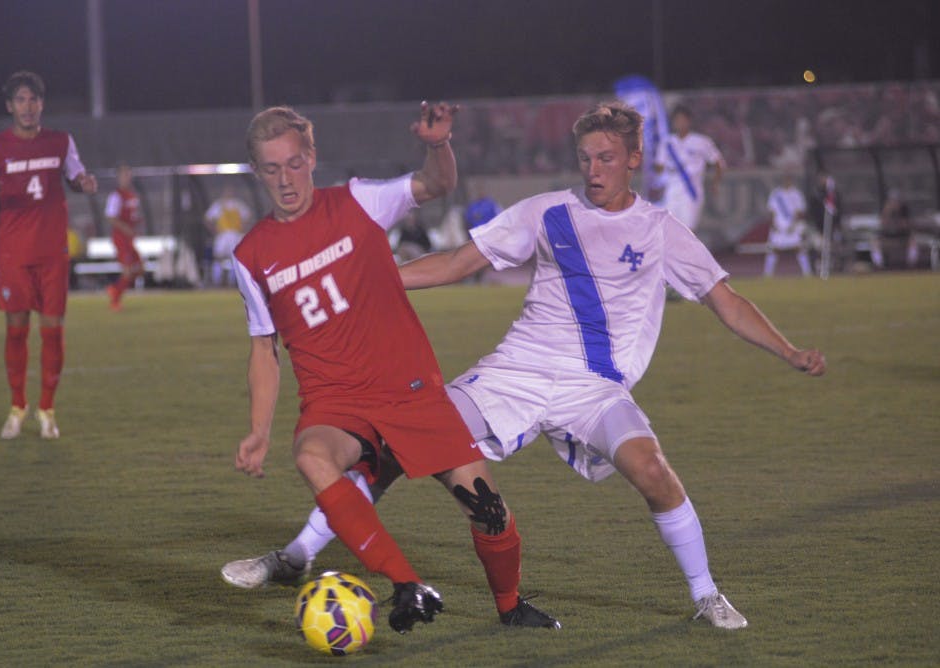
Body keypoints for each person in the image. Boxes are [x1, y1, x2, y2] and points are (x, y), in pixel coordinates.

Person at [225, 101, 827, 630]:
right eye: (586, 157)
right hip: (516, 372)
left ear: (634, 159)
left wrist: (790, 350)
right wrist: (371, 283)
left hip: (596, 389)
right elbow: (460, 261)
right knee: (388, 451)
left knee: (653, 471)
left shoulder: (661, 229)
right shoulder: (546, 211)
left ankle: (705, 595)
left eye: (606, 158)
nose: (593, 170)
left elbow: (725, 299)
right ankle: (295, 557)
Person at [225, 103, 559, 633]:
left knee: (488, 511)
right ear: (256, 172)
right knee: (313, 455)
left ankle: (510, 606)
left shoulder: (359, 201)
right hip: (336, 401)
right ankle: (407, 583)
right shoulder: (250, 255)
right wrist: (258, 431)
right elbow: (263, 349)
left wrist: (437, 144)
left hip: (409, 391)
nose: (285, 179)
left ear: (311, 157)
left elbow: (436, 183)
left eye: (293, 163)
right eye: (271, 169)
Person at [0, 71, 97, 439]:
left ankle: (47, 411)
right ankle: (17, 407)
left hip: (52, 252)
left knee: (53, 330)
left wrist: (83, 184)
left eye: (33, 99)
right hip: (14, 255)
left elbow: (75, 176)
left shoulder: (60, 142)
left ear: (42, 104)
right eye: (20, 100)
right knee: (16, 330)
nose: (27, 106)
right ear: (10, 106)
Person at [653, 104, 724, 234]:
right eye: (676, 120)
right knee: (669, 230)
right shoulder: (666, 142)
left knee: (688, 231)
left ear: (689, 121)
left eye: (682, 119)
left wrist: (716, 183)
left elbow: (718, 162)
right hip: (671, 193)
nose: (679, 123)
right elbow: (659, 166)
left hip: (691, 192)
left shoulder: (701, 141)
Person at [104, 164, 144, 310]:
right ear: (119, 178)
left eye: (129, 174)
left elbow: (133, 216)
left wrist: (136, 226)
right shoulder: (116, 195)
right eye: (124, 175)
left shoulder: (132, 195)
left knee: (139, 268)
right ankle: (115, 299)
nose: (127, 177)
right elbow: (110, 217)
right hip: (120, 238)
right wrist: (126, 228)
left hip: (129, 238)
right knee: (127, 270)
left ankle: (115, 288)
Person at [764, 172, 813, 277]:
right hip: (778, 227)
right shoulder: (776, 193)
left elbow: (800, 211)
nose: (787, 182)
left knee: (799, 248)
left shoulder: (796, 194)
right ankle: (767, 275)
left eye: (788, 180)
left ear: (791, 181)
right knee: (773, 250)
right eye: (785, 180)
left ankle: (807, 273)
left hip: (792, 227)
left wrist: (793, 225)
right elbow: (772, 210)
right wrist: (774, 224)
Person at [205, 185, 252, 286]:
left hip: (235, 234)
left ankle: (233, 282)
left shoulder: (238, 204)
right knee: (218, 258)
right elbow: (208, 218)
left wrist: (243, 228)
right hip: (223, 234)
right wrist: (214, 230)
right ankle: (217, 281)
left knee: (235, 259)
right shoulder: (218, 205)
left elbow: (247, 216)